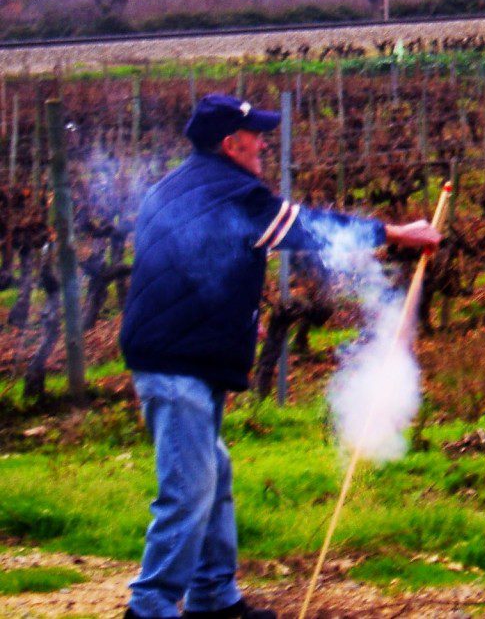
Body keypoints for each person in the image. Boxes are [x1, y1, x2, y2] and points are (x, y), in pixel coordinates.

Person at [120, 94, 441, 619]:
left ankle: (214, 600)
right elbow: (309, 229)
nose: (265, 145)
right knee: (188, 489)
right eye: (257, 137)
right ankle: (149, 608)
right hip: (175, 359)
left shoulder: (178, 185)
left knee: (212, 475)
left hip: (183, 353)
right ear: (231, 144)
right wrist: (395, 233)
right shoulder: (233, 193)